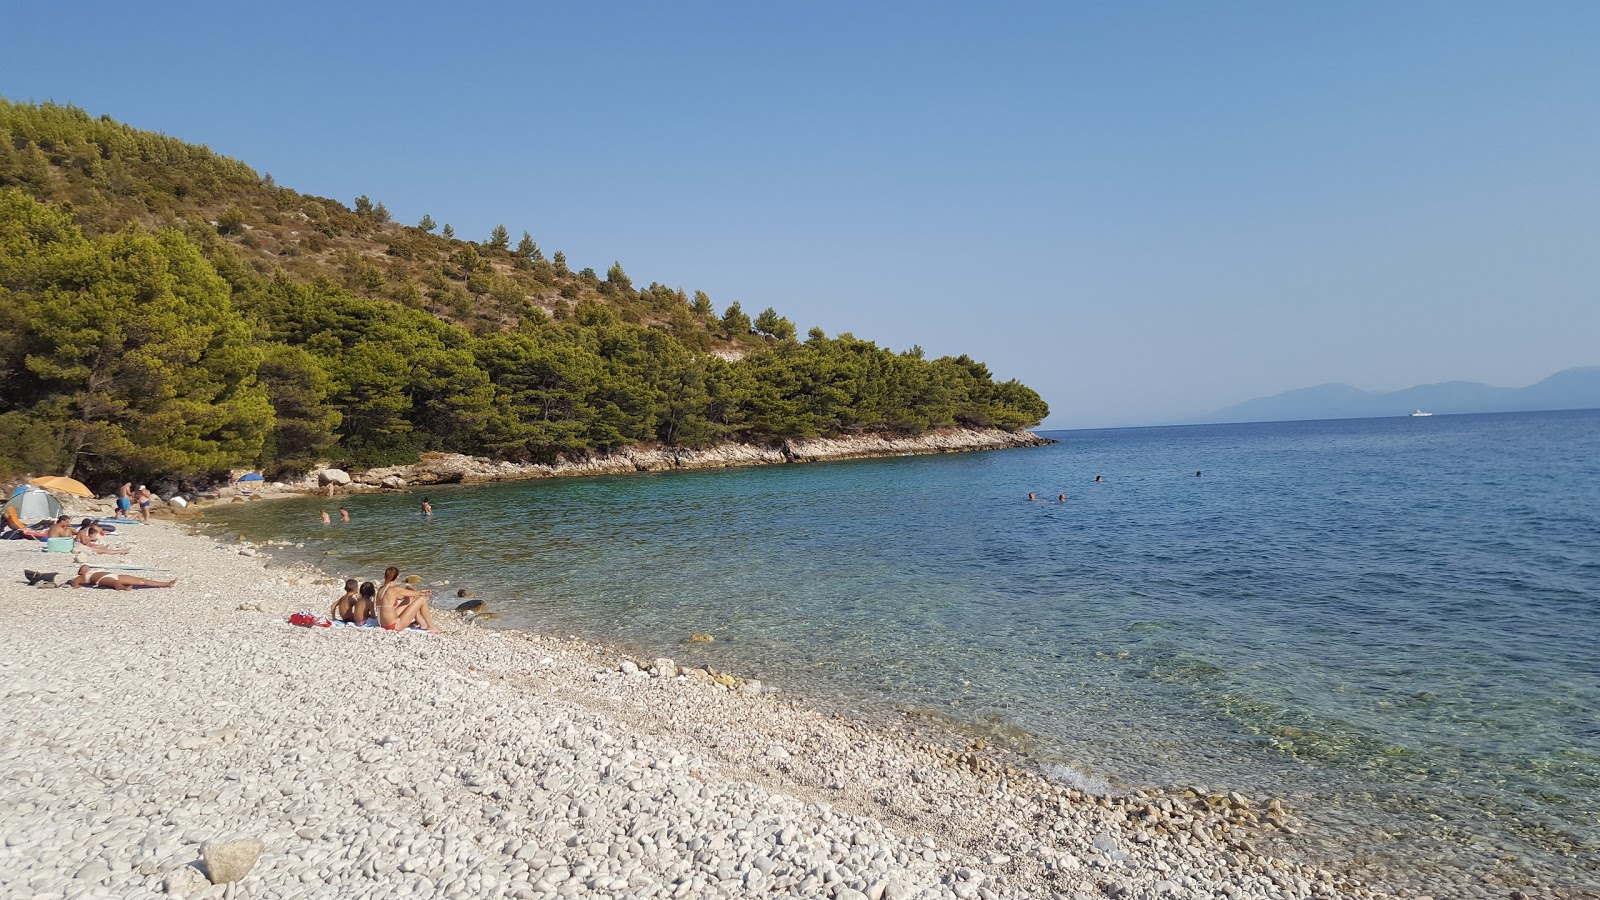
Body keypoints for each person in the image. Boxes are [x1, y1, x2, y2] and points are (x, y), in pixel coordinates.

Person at [376, 566, 438, 633]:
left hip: (382, 624)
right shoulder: (395, 590)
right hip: (394, 626)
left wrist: (412, 592)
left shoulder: (381, 589)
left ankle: (421, 622)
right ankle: (431, 626)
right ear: (398, 577)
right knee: (422, 599)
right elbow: (419, 594)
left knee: (409, 600)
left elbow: (405, 596)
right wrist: (423, 593)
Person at [69, 564, 175, 590]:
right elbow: (76, 582)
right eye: (84, 567)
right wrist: (75, 585)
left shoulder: (94, 570)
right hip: (100, 580)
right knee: (115, 583)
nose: (86, 567)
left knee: (142, 581)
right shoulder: (83, 576)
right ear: (81, 572)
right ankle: (124, 588)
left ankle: (166, 584)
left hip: (115, 575)